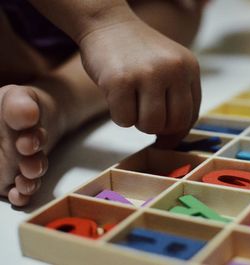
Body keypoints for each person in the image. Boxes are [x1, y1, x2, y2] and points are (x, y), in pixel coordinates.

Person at [0, 0, 206, 207]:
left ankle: (59, 100)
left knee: (182, 8)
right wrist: (107, 21)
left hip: (69, 55)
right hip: (17, 47)